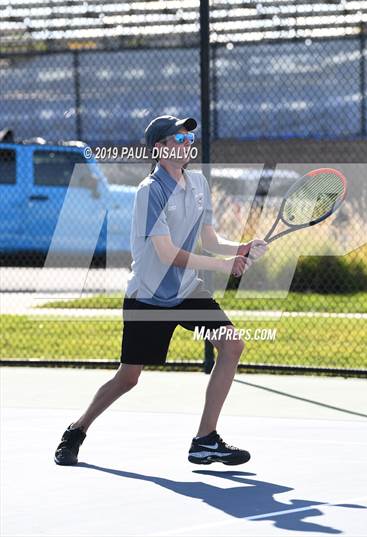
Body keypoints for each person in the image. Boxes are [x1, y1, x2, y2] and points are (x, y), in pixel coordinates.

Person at [54, 115, 267, 467]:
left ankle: (205, 440)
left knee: (232, 344)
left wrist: (241, 247)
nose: (186, 144)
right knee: (128, 377)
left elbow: (210, 240)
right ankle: (76, 430)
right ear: (160, 148)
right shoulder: (149, 192)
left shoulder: (198, 183)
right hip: (148, 296)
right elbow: (167, 254)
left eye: (188, 139)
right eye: (178, 139)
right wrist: (223, 266)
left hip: (185, 292)